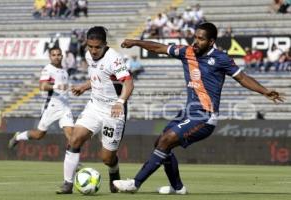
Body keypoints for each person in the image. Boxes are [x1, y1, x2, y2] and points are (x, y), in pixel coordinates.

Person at [113, 22, 284, 195]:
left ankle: (135, 183)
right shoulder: (186, 52)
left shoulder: (220, 58)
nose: (196, 41)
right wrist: (136, 42)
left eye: (201, 39)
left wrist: (265, 91)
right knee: (160, 143)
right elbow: (159, 47)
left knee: (165, 141)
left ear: (211, 42)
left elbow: (242, 78)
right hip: (188, 112)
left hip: (205, 116)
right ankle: (177, 188)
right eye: (195, 37)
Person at [56, 26, 134, 194]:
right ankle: (67, 184)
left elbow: (128, 83)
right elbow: (98, 77)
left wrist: (120, 102)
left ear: (105, 44)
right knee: (74, 140)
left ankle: (114, 173)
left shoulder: (114, 59)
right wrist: (84, 87)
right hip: (95, 106)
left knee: (107, 158)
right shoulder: (88, 55)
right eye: (90, 46)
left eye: (97, 47)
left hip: (114, 111)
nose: (93, 50)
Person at [8, 47, 74, 149]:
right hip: (52, 106)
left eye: (58, 55)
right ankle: (18, 137)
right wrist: (57, 86)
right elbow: (42, 86)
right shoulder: (48, 69)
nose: (56, 57)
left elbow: (64, 89)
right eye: (54, 55)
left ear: (62, 56)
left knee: (72, 137)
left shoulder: (64, 71)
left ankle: (74, 163)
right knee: (39, 135)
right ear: (50, 57)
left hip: (65, 107)